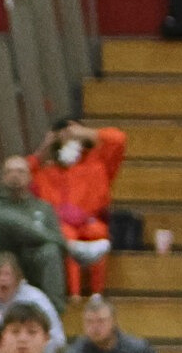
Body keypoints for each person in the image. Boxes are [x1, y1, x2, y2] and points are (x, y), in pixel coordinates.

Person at [29, 119, 128, 299]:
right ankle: (74, 295)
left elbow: (119, 140)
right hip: (61, 226)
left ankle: (97, 293)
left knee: (98, 234)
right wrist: (45, 147)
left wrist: (84, 132)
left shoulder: (97, 164)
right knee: (66, 236)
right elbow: (23, 174)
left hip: (91, 222)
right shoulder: (46, 173)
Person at [0, 156, 69, 307]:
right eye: (9, 171)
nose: (14, 175)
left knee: (51, 250)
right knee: (7, 220)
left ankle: (53, 309)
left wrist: (30, 237)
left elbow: (59, 246)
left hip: (32, 258)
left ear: (29, 177)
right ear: (3, 177)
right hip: (1, 254)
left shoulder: (43, 208)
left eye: (20, 172)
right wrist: (0, 238)